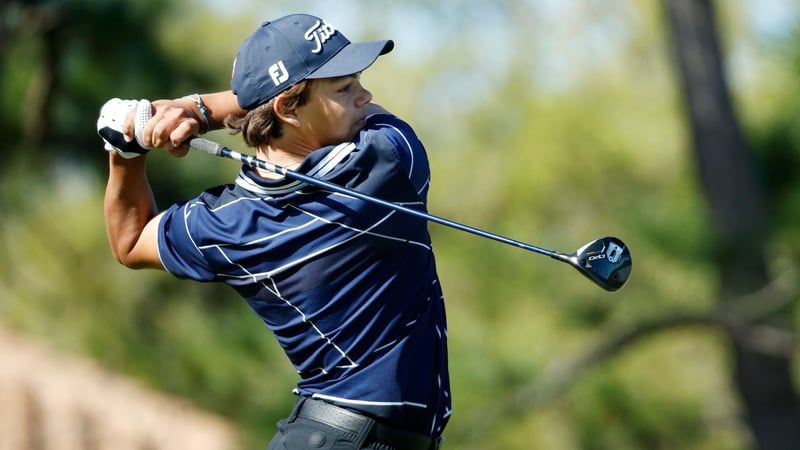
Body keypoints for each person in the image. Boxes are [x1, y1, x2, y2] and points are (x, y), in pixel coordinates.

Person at [98, 13, 450, 450]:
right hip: (345, 435)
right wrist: (199, 110)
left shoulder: (225, 223)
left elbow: (129, 241)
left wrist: (125, 150)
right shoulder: (389, 160)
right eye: (344, 88)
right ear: (287, 108)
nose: (365, 97)